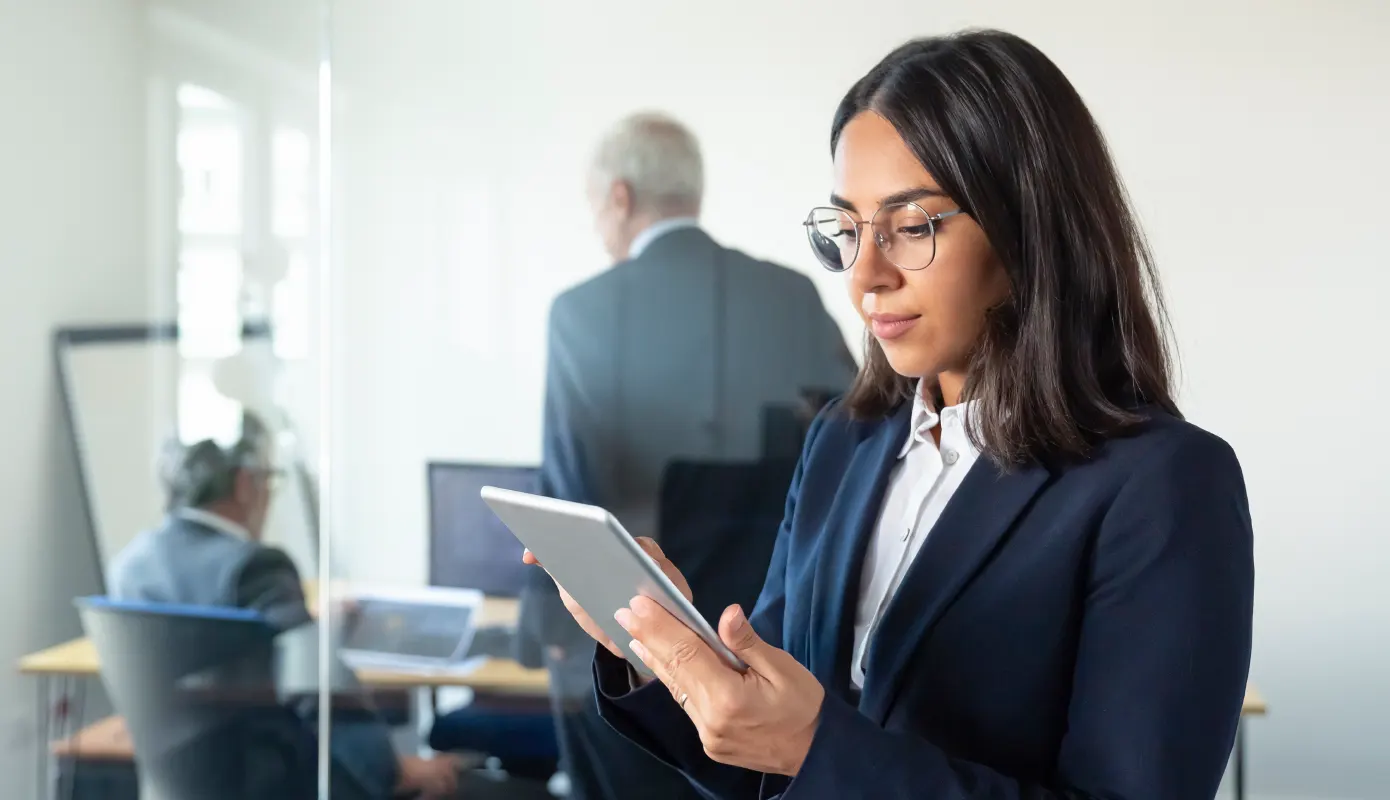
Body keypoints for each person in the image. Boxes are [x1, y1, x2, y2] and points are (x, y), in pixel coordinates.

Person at [526, 30, 1255, 800]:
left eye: (911, 227)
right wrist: (662, 651)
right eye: (848, 229)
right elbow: (762, 765)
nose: (864, 276)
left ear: (1027, 228)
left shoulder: (1163, 484)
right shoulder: (843, 443)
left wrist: (815, 747)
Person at [516, 112, 858, 799]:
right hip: (771, 655)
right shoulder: (791, 295)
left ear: (619, 197)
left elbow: (568, 485)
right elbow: (851, 453)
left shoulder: (582, 313)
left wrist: (540, 633)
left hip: (628, 651)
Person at [110, 411, 466, 799]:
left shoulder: (132, 564)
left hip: (178, 785)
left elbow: (213, 652)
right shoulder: (255, 566)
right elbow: (319, 689)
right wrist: (392, 770)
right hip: (274, 784)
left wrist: (308, 626)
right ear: (245, 484)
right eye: (268, 479)